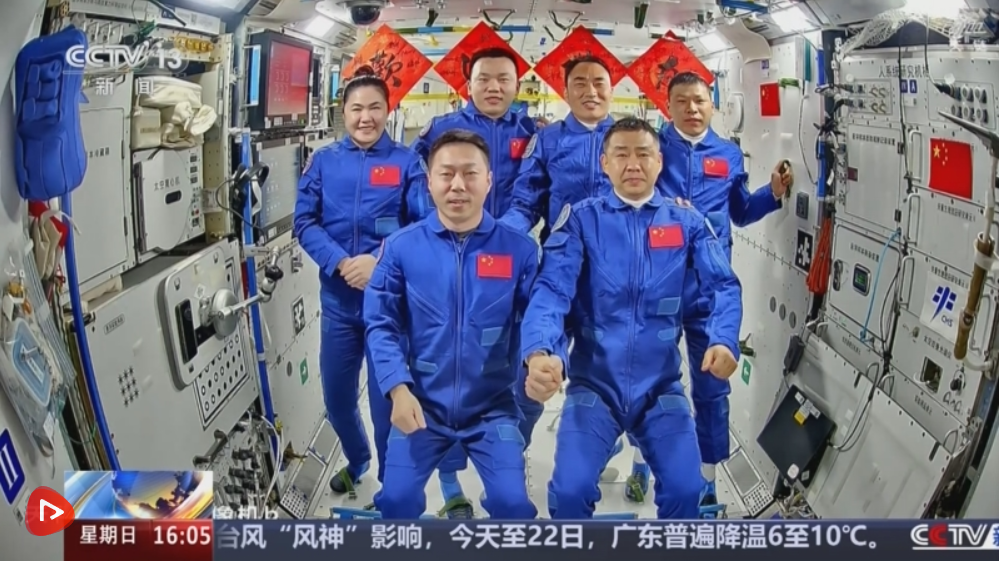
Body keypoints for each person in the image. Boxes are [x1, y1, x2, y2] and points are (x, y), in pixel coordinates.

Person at [520, 117, 743, 519]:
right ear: (604, 163)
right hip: (594, 387)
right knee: (569, 493)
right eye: (621, 155)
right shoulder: (582, 221)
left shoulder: (688, 223)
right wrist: (539, 351)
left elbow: (723, 285)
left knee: (686, 490)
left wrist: (724, 339)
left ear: (660, 162)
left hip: (660, 388)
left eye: (643, 154)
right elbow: (552, 290)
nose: (633, 164)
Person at [612, 71, 792, 507]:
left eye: (699, 101)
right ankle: (641, 465)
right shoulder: (653, 150)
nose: (692, 109)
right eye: (682, 101)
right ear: (668, 106)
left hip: (709, 288)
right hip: (658, 284)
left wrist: (771, 194)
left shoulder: (727, 154)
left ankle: (709, 481)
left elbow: (741, 211)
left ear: (713, 105)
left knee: (712, 388)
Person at [365, 130, 539, 520]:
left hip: (493, 407)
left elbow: (538, 316)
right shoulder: (401, 248)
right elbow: (380, 323)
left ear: (489, 181)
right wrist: (397, 388)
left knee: (514, 506)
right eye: (446, 174)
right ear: (429, 181)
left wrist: (543, 355)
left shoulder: (519, 249)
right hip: (421, 402)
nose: (458, 185)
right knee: (395, 501)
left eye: (470, 173)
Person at [409, 47, 538, 517]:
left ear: (518, 85)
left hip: (508, 260)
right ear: (469, 84)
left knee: (522, 371)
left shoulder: (532, 133)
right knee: (445, 371)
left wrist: (505, 234)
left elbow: (533, 190)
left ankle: (506, 452)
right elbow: (415, 180)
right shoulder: (440, 130)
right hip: (448, 255)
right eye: (484, 78)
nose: (494, 87)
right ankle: (450, 483)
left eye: (504, 79)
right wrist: (436, 228)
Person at [292, 69, 428, 500]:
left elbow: (423, 227)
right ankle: (357, 459)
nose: (365, 117)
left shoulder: (407, 163)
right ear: (343, 112)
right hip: (338, 304)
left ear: (388, 111)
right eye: (356, 109)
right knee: (336, 398)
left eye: (374, 108)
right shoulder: (324, 161)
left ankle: (391, 486)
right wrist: (340, 262)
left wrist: (379, 263)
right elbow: (304, 221)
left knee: (388, 407)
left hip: (388, 307)